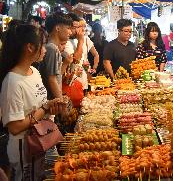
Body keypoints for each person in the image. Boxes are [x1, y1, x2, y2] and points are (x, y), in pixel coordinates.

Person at [0, 25, 65, 181]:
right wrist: (45, 108)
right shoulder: (13, 81)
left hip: (43, 139)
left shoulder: (34, 72)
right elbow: (14, 127)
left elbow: (39, 105)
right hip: (26, 147)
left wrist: (51, 107)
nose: (44, 49)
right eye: (42, 45)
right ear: (30, 47)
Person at [40, 12, 72, 100]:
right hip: (52, 101)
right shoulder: (51, 49)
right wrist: (61, 101)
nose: (70, 32)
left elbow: (57, 75)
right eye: (68, 28)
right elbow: (52, 80)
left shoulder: (54, 48)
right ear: (57, 28)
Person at [65, 14, 99, 90]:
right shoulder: (66, 42)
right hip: (71, 83)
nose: (83, 29)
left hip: (82, 80)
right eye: (79, 27)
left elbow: (84, 61)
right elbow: (76, 59)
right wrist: (80, 40)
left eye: (85, 26)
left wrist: (92, 70)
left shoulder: (85, 39)